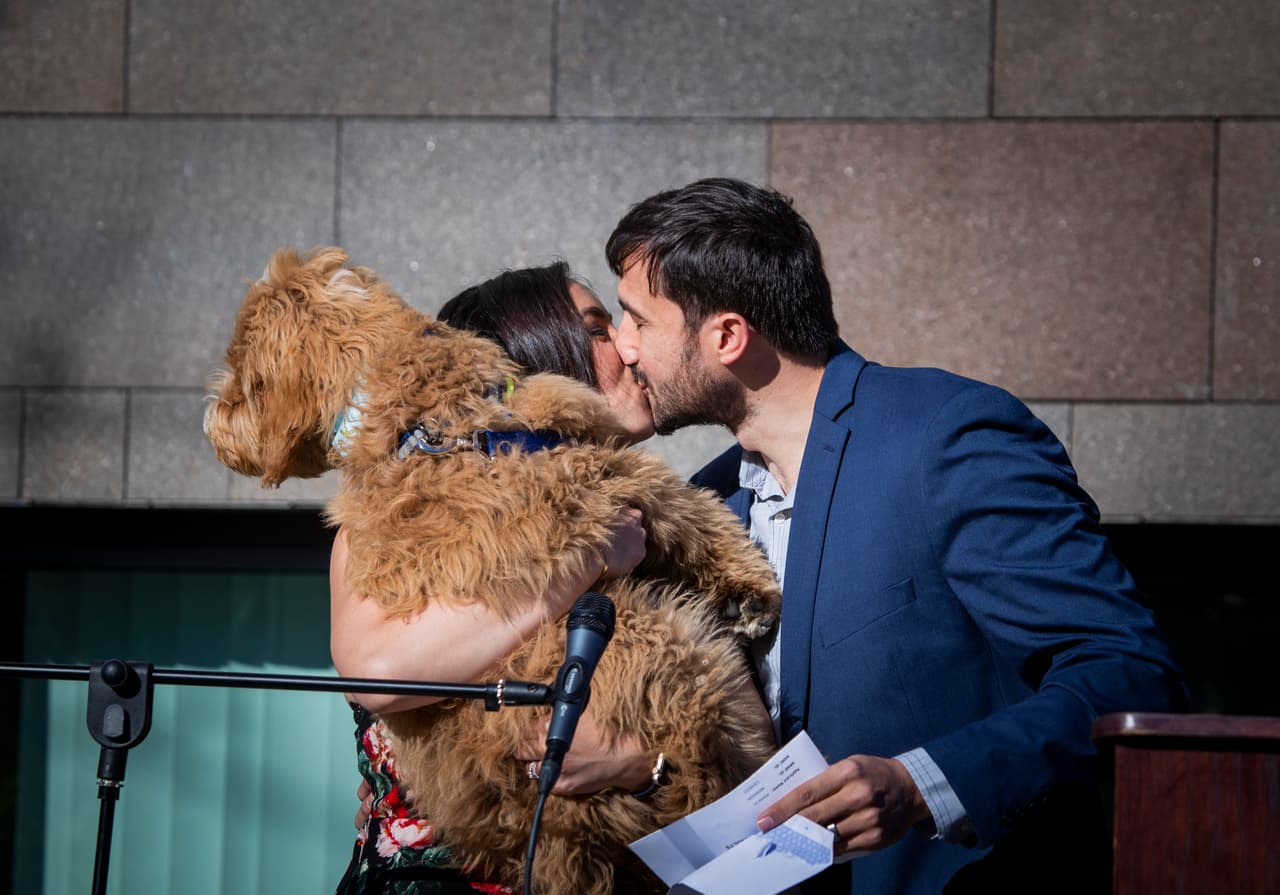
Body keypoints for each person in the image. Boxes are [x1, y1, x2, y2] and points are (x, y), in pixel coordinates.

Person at [602, 177, 1187, 894]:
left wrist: (923, 783)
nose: (622, 348)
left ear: (727, 336)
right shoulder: (705, 501)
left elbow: (1128, 671)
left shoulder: (947, 435)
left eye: (637, 321)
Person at [329, 262, 668, 894]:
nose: (627, 346)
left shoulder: (649, 520)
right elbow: (378, 672)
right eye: (597, 331)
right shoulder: (395, 513)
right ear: (533, 363)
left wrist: (642, 765)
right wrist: (586, 557)